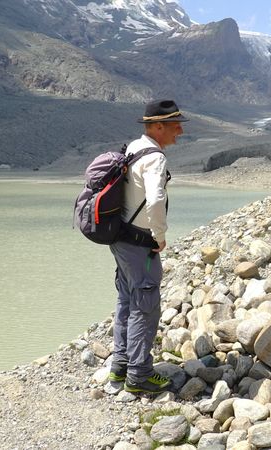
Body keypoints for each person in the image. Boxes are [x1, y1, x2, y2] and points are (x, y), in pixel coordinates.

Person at [108, 99, 187, 394]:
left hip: (121, 239)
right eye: (175, 125)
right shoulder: (154, 158)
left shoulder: (134, 148)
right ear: (158, 127)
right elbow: (154, 200)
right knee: (145, 305)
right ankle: (139, 375)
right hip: (140, 242)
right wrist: (160, 235)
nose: (180, 130)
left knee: (126, 301)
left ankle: (119, 367)